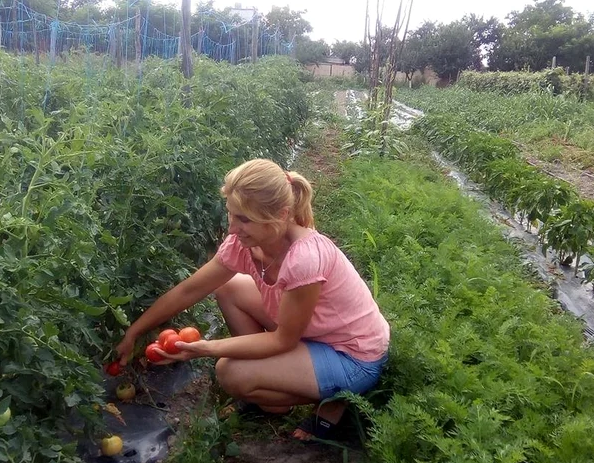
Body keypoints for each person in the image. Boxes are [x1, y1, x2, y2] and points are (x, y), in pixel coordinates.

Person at [115, 158, 390, 440]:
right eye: (231, 215)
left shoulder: (304, 259)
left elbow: (283, 340)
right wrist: (134, 331)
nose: (233, 228)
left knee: (230, 371)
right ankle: (271, 384)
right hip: (313, 333)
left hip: (351, 355)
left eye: (244, 219)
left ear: (281, 215)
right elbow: (189, 290)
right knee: (229, 287)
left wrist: (205, 348)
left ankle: (334, 401)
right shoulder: (244, 244)